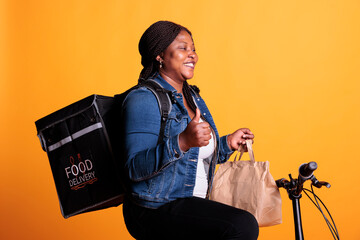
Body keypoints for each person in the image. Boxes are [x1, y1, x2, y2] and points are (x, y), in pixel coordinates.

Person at [121, 20, 259, 240]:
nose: (192, 55)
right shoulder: (144, 98)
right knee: (241, 225)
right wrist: (182, 141)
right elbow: (134, 168)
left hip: (190, 201)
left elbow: (194, 157)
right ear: (160, 55)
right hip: (153, 208)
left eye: (193, 49)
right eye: (183, 48)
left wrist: (226, 144)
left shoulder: (193, 97)